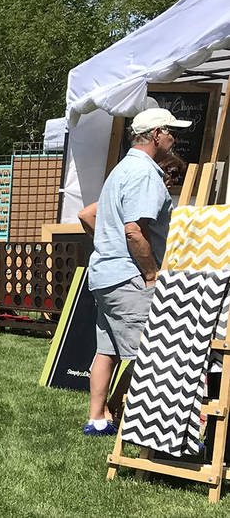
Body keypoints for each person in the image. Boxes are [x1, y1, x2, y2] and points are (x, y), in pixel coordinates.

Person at [77, 107, 188, 437]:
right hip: (128, 278)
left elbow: (87, 215)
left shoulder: (122, 170)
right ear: (156, 134)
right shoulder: (144, 173)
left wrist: (108, 247)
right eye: (171, 131)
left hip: (105, 276)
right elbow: (133, 231)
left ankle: (98, 419)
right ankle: (147, 431)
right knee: (150, 354)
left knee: (107, 350)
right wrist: (151, 273)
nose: (174, 138)